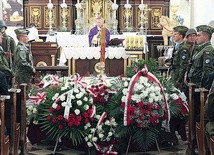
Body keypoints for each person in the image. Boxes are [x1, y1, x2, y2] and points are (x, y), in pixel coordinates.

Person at [188, 25, 214, 89]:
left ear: (206, 37)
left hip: (199, 87)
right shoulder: (200, 49)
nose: (196, 38)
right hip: (193, 85)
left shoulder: (208, 51)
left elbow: (207, 72)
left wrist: (202, 88)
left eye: (199, 35)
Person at [170, 26, 189, 90]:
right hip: (174, 74)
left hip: (178, 75)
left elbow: (183, 65)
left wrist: (179, 80)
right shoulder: (177, 45)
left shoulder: (183, 48)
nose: (173, 36)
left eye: (175, 34)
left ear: (181, 36)